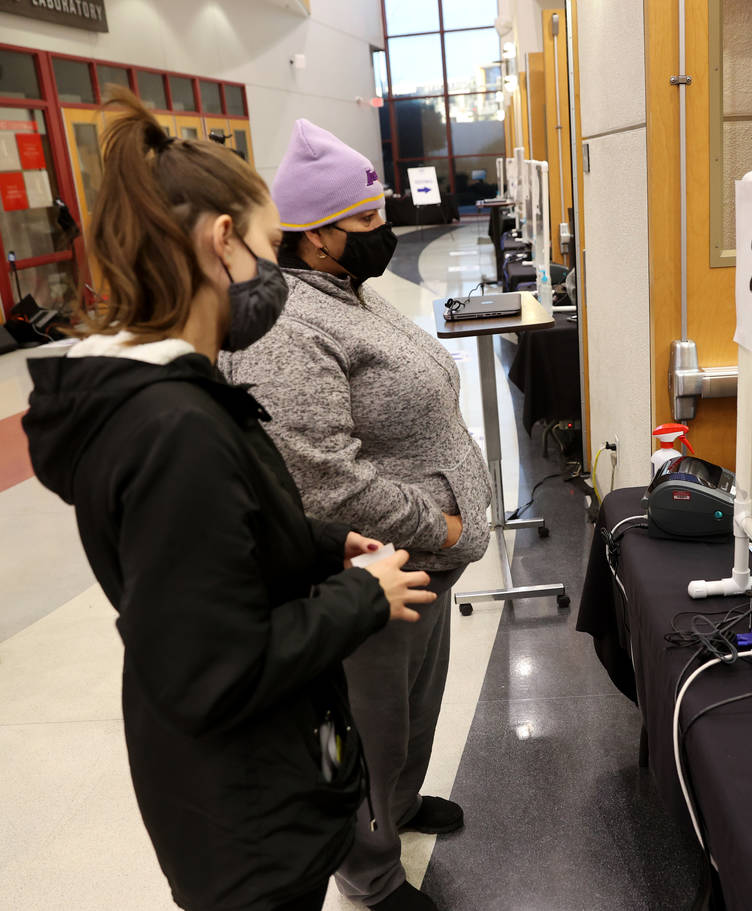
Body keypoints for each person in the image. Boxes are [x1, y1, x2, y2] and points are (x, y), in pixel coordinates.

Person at [20, 90, 437, 911]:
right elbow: (212, 665)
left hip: (244, 784)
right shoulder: (174, 427)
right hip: (240, 815)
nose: (277, 273)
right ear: (222, 242)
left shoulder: (169, 397)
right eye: (271, 247)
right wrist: (361, 597)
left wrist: (323, 546)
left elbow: (212, 551)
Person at [221, 119, 492, 911]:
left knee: (410, 716)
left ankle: (400, 810)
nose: (385, 230)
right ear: (312, 239)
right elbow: (325, 486)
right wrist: (439, 526)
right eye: (366, 221)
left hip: (426, 569)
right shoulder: (285, 330)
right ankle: (369, 872)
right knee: (369, 732)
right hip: (378, 567)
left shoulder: (348, 292)